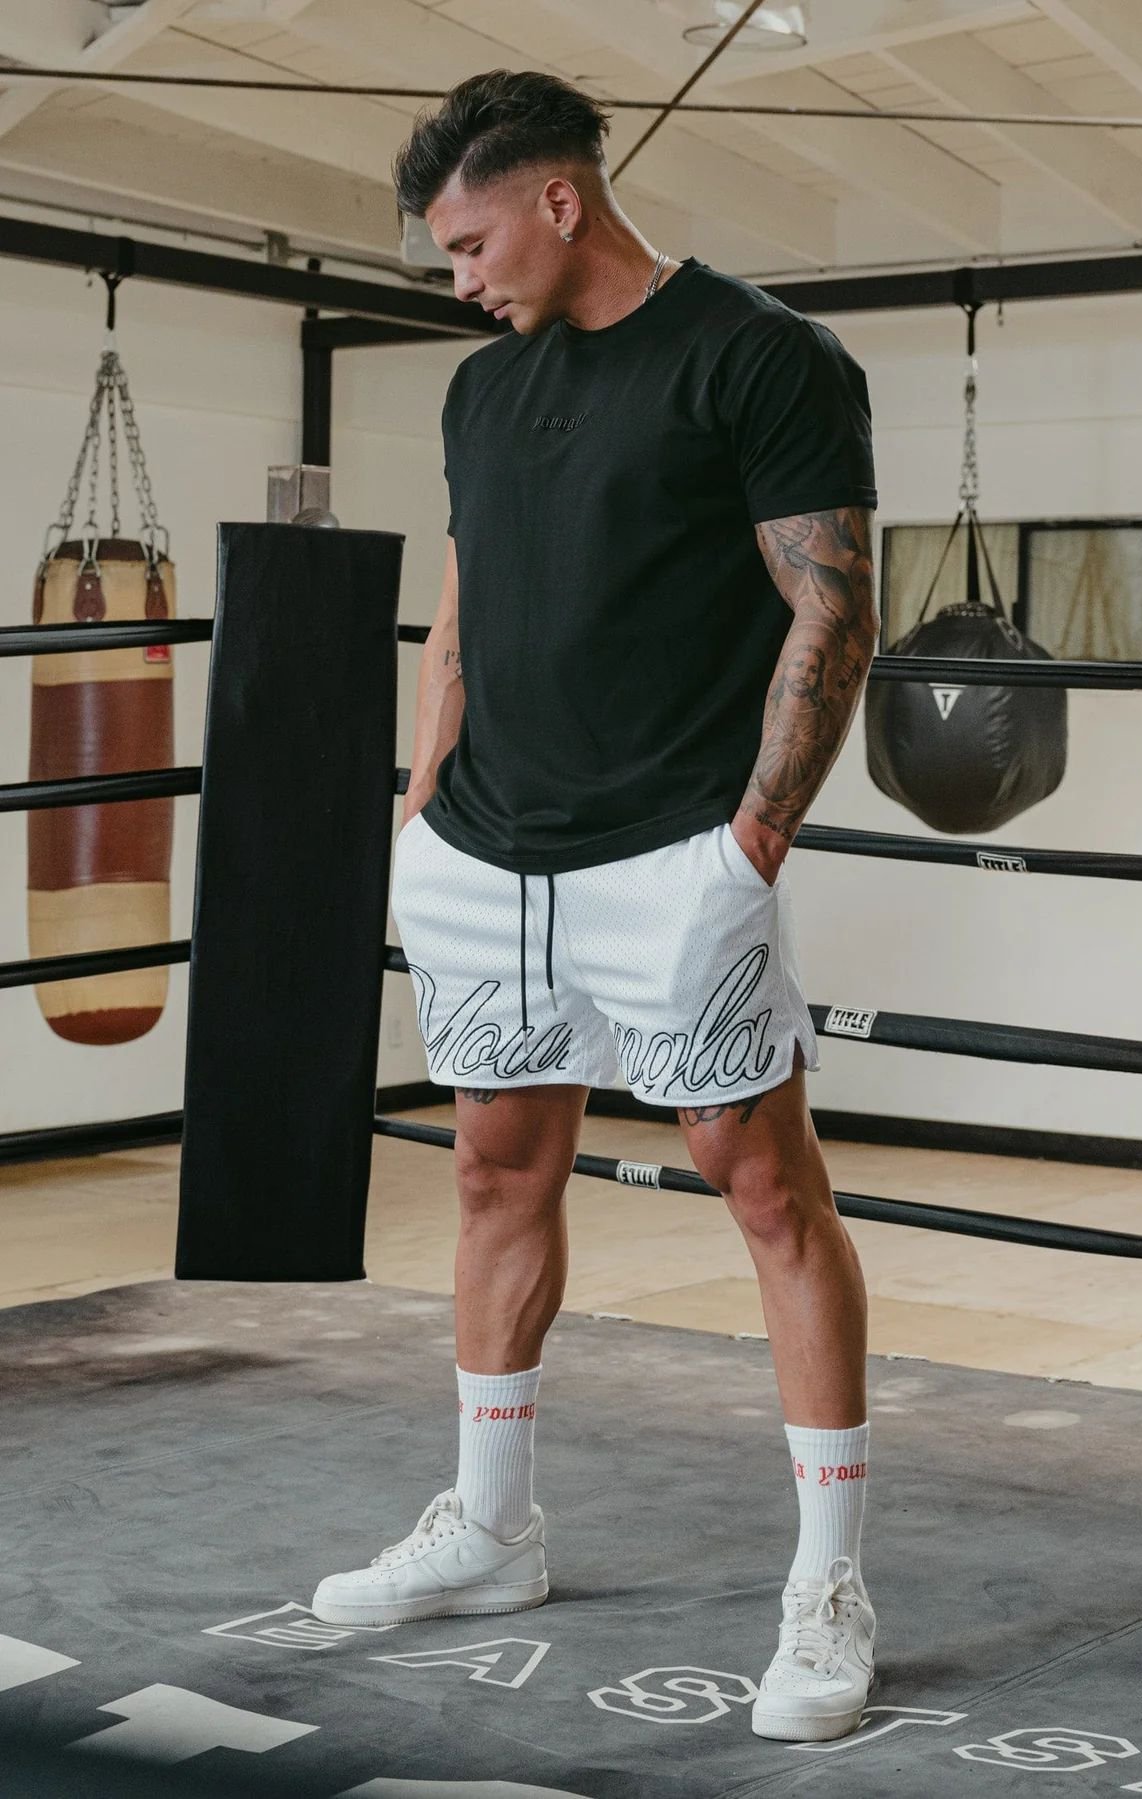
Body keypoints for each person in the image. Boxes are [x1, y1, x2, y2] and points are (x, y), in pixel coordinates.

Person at [312, 68, 880, 1746]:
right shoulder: (483, 391)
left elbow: (833, 610)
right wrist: (423, 802)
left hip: (673, 860)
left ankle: (828, 1588)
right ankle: (493, 1530)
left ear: (560, 201)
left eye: (473, 243)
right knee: (493, 1171)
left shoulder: (760, 356)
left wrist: (751, 848)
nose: (460, 279)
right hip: (483, 862)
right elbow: (464, 612)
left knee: (764, 1188)